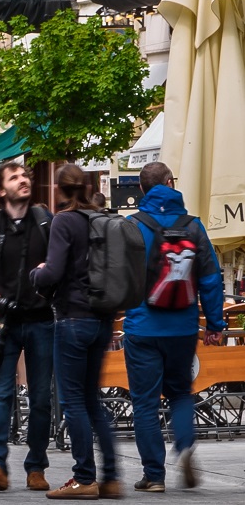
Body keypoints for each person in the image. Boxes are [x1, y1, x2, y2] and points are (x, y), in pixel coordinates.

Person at [121, 162, 228, 492]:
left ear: (142, 190)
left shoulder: (131, 226)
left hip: (142, 327)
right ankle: (184, 445)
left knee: (145, 403)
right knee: (181, 393)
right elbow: (211, 278)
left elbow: (117, 276)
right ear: (171, 183)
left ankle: (154, 475)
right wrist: (214, 323)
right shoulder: (193, 227)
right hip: (182, 327)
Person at [29, 163, 124, 499]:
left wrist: (36, 275)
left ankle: (85, 478)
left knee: (73, 401)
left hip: (72, 318)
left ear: (60, 189)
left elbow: (53, 271)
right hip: (102, 318)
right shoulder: (102, 219)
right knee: (91, 399)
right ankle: (111, 476)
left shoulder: (64, 221)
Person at [0, 163, 56, 492]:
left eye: (26, 176)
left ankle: (36, 467)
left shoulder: (46, 222)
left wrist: (51, 274)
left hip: (41, 319)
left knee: (41, 397)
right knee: (1, 394)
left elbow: (61, 267)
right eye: (15, 178)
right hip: (3, 321)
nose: (24, 180)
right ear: (2, 190)